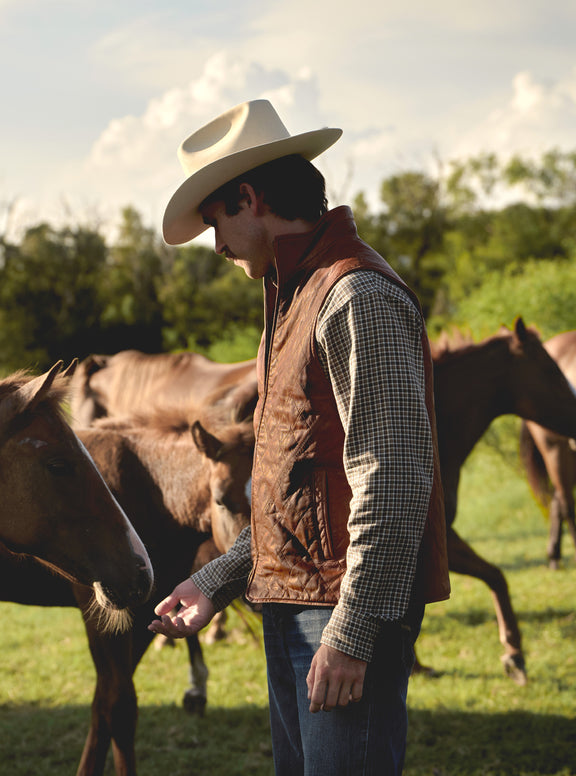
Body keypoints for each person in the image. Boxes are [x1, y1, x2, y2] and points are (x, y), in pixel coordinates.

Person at [149, 98, 450, 776]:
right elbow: (298, 492)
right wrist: (217, 579)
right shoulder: (294, 300)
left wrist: (353, 631)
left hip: (340, 613)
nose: (217, 246)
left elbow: (395, 477)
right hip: (297, 606)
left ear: (249, 198)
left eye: (215, 224)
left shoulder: (355, 297)